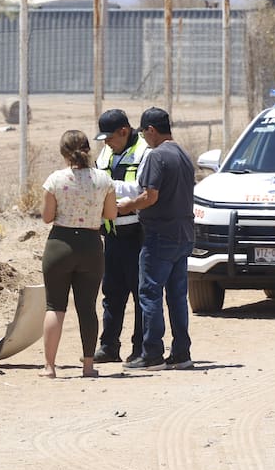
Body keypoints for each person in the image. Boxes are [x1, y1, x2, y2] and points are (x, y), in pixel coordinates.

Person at [119, 107, 195, 371]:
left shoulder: (156, 156)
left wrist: (128, 205)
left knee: (150, 293)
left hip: (160, 236)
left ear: (151, 130)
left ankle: (152, 353)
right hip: (183, 235)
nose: (144, 139)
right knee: (176, 296)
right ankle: (181, 353)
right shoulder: (183, 154)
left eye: (144, 133)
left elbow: (150, 196)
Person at [40, 129, 118, 379]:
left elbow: (47, 217)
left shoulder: (55, 180)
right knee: (87, 307)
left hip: (60, 244)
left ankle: (50, 367)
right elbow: (111, 215)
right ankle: (88, 366)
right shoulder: (103, 180)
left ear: (64, 152)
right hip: (91, 244)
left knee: (55, 306)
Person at [92, 109, 149, 364]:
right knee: (112, 293)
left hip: (138, 233)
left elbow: (143, 189)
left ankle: (140, 348)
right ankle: (109, 346)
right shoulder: (106, 152)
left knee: (140, 295)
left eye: (110, 138)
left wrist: (108, 185)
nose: (106, 143)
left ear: (124, 132)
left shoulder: (145, 152)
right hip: (112, 234)